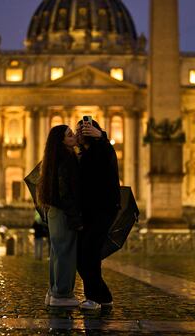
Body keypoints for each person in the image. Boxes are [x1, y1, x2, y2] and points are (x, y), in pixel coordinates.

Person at [75, 119, 120, 310]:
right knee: (82, 255)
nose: (77, 133)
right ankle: (104, 296)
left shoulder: (102, 150)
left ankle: (93, 297)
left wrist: (102, 137)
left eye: (81, 130)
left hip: (102, 210)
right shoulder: (83, 155)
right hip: (87, 212)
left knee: (89, 253)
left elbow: (108, 155)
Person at [37, 124, 82, 307]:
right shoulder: (67, 159)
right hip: (64, 211)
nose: (73, 137)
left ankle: (54, 291)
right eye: (70, 135)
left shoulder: (54, 159)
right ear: (62, 141)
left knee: (57, 252)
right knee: (66, 254)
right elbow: (66, 191)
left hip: (54, 211)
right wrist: (74, 217)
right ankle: (62, 295)